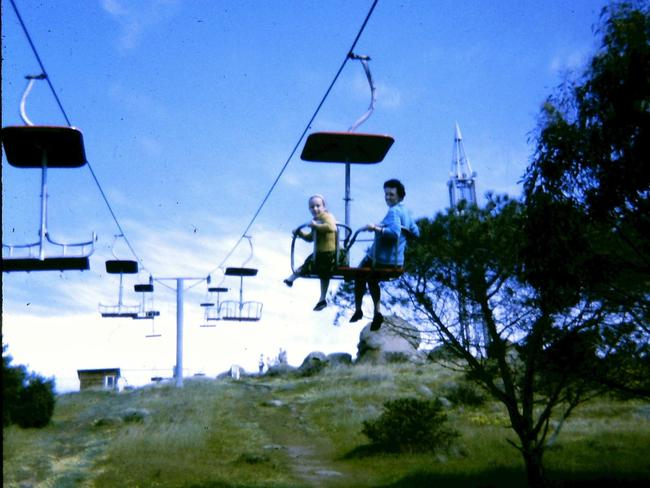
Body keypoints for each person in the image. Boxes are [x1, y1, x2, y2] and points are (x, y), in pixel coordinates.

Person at [350, 179, 419, 330]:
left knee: (359, 274)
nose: (388, 197)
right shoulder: (405, 212)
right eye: (386, 194)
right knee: (372, 280)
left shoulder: (393, 211)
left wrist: (376, 228)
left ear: (399, 196)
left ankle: (358, 309)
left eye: (391, 194)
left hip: (380, 259)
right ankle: (377, 312)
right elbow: (416, 232)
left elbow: (394, 233)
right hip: (396, 261)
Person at [284, 194, 338, 311]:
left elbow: (332, 227)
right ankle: (291, 279)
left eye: (318, 206)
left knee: (319, 269)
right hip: (319, 253)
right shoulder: (316, 220)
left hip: (330, 253)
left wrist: (316, 226)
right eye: (312, 207)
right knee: (308, 263)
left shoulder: (327, 217)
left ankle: (321, 298)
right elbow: (310, 238)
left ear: (324, 206)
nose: (315, 209)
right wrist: (301, 234)